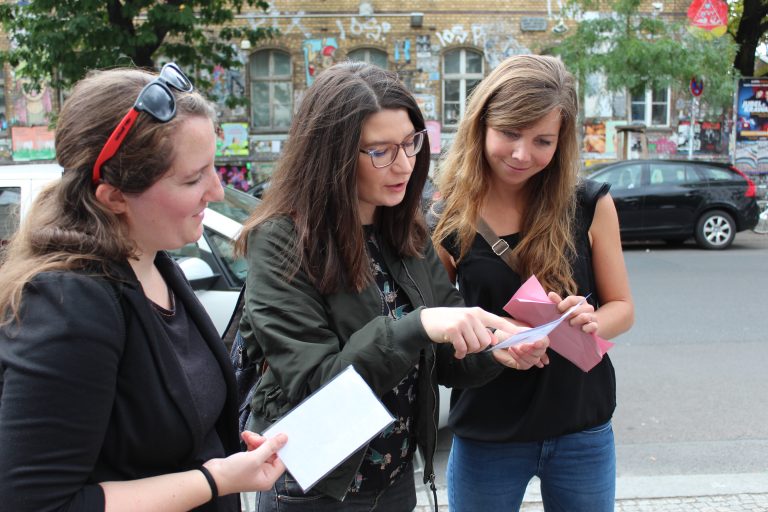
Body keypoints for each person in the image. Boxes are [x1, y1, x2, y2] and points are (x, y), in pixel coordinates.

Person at [234, 61, 549, 512]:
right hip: (317, 488)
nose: (404, 164)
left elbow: (443, 361)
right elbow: (315, 386)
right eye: (380, 151)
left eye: (410, 143)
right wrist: (417, 325)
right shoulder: (282, 239)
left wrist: (496, 351)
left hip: (395, 479)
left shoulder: (405, 228)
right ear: (333, 156)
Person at [0, 64, 287, 512]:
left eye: (214, 168)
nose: (215, 190)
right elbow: (36, 502)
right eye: (193, 178)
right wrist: (213, 480)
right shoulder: (68, 305)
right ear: (114, 197)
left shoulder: (154, 260)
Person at [431, 54, 635, 511]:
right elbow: (433, 328)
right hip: (488, 431)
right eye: (508, 133)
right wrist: (493, 340)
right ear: (481, 125)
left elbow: (622, 307)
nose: (523, 154)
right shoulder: (448, 217)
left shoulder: (589, 204)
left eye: (542, 140)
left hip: (582, 427)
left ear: (561, 142)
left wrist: (591, 321)